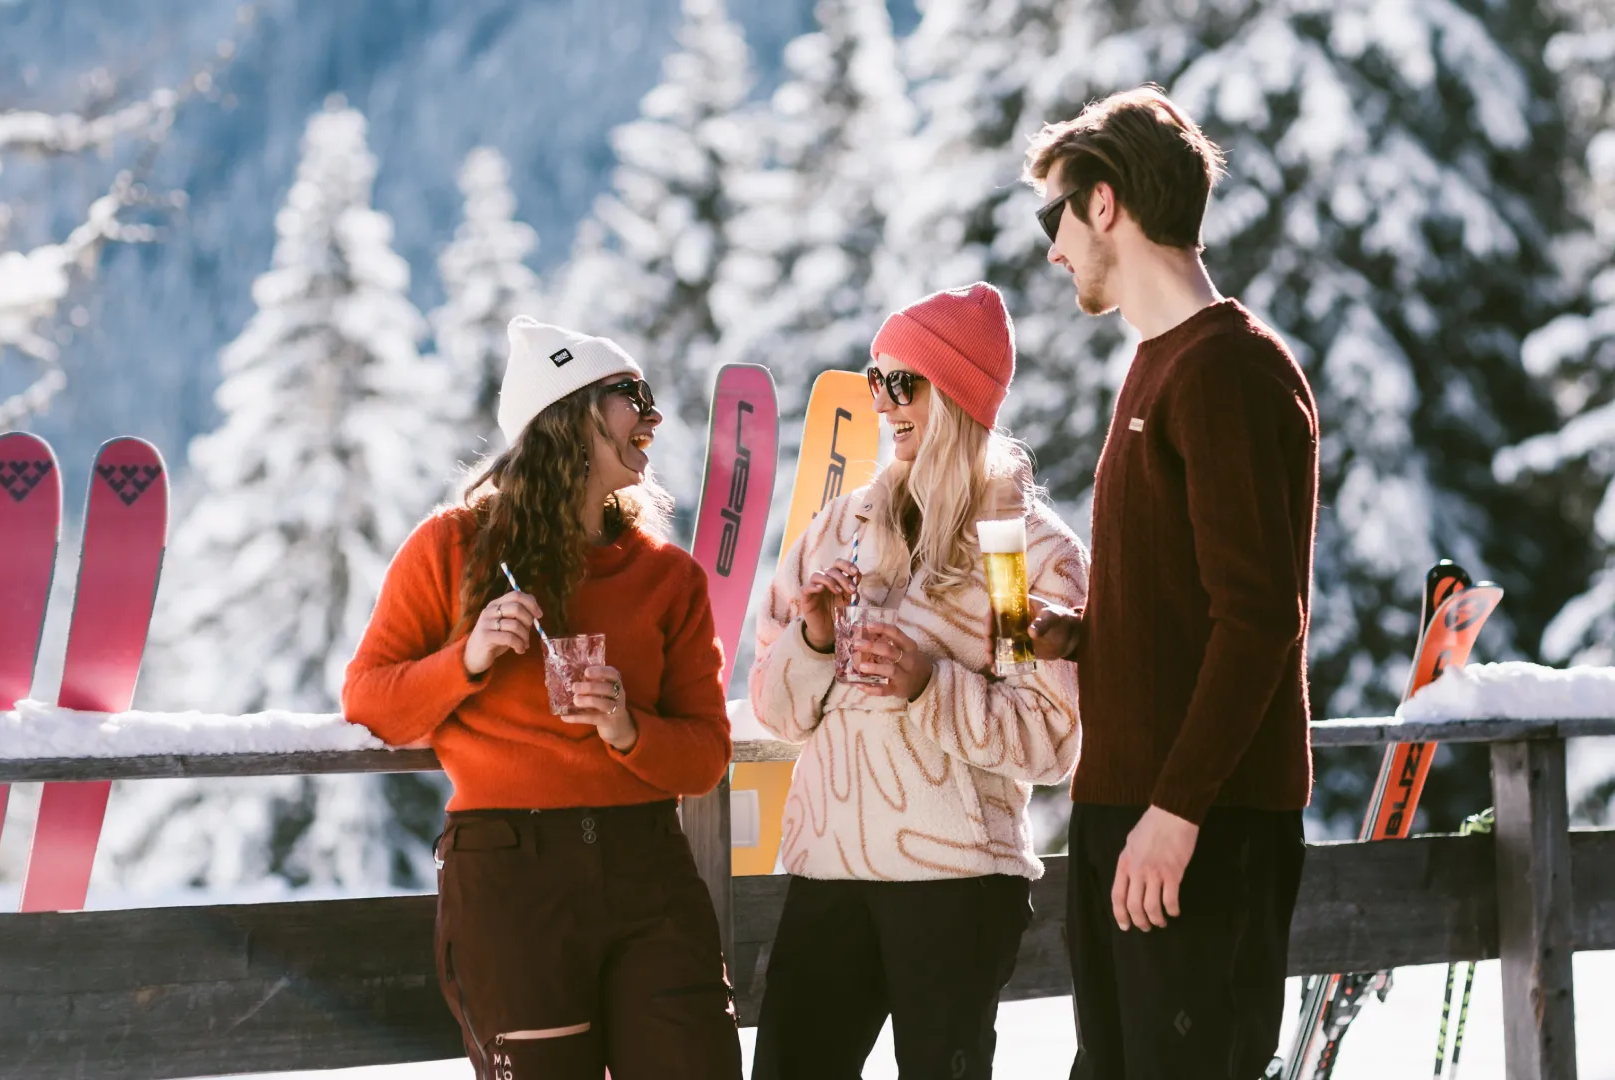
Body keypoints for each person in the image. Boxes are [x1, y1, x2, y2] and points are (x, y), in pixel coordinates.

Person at [342, 315, 741, 1080]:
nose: (653, 417)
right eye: (633, 396)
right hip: (510, 878)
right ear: (567, 418)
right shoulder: (452, 550)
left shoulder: (669, 577)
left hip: (648, 869)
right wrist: (470, 657)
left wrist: (629, 729)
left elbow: (706, 757)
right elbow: (369, 700)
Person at [1022, 86, 1321, 1080]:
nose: (1053, 249)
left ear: (1104, 203)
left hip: (1198, 830)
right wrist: (1077, 631)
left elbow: (1257, 619)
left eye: (1052, 218)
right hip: (1129, 816)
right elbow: (1184, 611)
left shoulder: (1226, 369)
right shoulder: (1157, 368)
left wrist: (1179, 811)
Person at [747, 283, 1088, 1080]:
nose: (884, 402)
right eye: (876, 381)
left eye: (906, 382)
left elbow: (1049, 739)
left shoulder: (1015, 551)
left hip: (955, 882)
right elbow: (772, 707)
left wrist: (930, 686)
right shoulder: (839, 527)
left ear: (962, 394)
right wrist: (814, 636)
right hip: (828, 872)